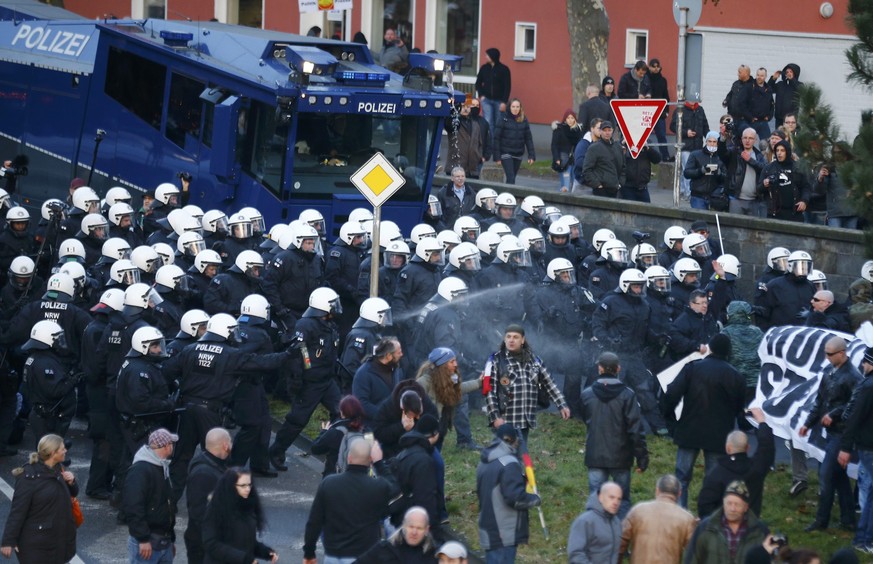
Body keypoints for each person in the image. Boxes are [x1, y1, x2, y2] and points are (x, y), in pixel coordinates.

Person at [661, 333, 745, 508]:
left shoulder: (693, 367)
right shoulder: (735, 376)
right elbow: (739, 408)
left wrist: (669, 418)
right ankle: (708, 517)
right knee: (713, 480)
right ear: (729, 352)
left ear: (711, 348)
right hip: (719, 434)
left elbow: (672, 393)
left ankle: (680, 515)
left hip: (689, 429)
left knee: (682, 476)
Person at [800, 336, 862, 532]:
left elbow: (855, 406)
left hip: (842, 434)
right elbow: (820, 400)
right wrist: (808, 423)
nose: (826, 357)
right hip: (831, 431)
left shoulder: (854, 377)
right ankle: (848, 518)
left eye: (829, 354)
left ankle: (822, 520)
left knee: (826, 475)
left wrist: (833, 415)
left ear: (842, 353)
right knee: (838, 477)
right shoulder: (828, 372)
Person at [579, 352, 648, 519]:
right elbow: (635, 429)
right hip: (621, 456)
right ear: (618, 369)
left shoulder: (587, 394)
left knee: (596, 499)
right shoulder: (628, 395)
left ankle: (594, 534)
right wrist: (642, 456)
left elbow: (585, 417)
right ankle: (621, 539)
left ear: (599, 369)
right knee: (622, 500)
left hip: (595, 454)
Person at [304, 438, 391, 563]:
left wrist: (309, 553)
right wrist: (379, 464)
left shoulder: (329, 483)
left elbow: (314, 522)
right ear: (370, 460)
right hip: (365, 555)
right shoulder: (379, 487)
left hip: (333, 555)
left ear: (349, 457)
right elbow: (394, 491)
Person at [484, 324, 570, 442]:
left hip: (524, 419)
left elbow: (549, 384)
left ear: (523, 340)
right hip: (504, 420)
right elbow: (489, 391)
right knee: (502, 457)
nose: (511, 340)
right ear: (504, 339)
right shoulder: (495, 360)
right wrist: (495, 417)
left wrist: (562, 404)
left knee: (520, 455)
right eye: (508, 337)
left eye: (515, 337)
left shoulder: (535, 361)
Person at [1, 434, 78, 563]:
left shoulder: (58, 469)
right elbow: (18, 511)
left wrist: (72, 482)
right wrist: (8, 541)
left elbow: (71, 494)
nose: (65, 451)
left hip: (57, 541)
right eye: (62, 449)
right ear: (53, 452)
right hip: (37, 545)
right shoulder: (28, 477)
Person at [476, 423, 541, 564]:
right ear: (513, 440)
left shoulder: (484, 462)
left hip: (488, 530)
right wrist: (534, 499)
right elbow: (515, 498)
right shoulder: (510, 463)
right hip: (504, 533)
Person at [697, 408, 775, 518]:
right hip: (749, 527)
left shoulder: (716, 473)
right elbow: (767, 449)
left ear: (727, 448)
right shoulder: (757, 468)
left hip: (723, 528)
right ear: (748, 448)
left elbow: (704, 505)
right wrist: (762, 422)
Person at [122, 428, 177, 564]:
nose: (173, 447)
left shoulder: (161, 466)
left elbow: (167, 505)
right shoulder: (140, 470)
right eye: (172, 443)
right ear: (166, 446)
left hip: (163, 541)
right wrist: (143, 539)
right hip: (148, 544)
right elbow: (133, 506)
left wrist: (170, 541)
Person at [201, 468, 277, 563]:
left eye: (249, 485)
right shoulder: (216, 508)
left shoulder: (247, 505)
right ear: (231, 486)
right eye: (243, 485)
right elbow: (211, 544)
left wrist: (266, 552)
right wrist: (245, 559)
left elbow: (246, 540)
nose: (248, 489)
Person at [838, 347, 873, 553]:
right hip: (868, 448)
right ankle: (865, 539)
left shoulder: (868, 386)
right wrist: (845, 447)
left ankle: (863, 539)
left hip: (868, 447)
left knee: (869, 492)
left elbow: (854, 418)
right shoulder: (868, 386)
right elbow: (853, 418)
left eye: (865, 362)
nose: (862, 365)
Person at [684, 480, 769, 564]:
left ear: (746, 507)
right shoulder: (705, 528)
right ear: (723, 503)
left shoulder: (760, 531)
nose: (732, 509)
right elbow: (691, 559)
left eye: (737, 504)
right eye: (729, 503)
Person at [619, 474, 696, 564]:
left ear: (657, 490)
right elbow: (695, 552)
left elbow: (620, 541)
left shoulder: (638, 510)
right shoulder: (687, 518)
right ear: (679, 493)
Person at [416, 347, 482, 450]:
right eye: (452, 362)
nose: (456, 364)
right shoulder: (423, 382)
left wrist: (479, 382)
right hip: (426, 433)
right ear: (442, 365)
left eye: (455, 360)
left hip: (439, 431)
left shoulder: (447, 378)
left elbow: (459, 389)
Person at [185, 427, 232, 564]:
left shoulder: (213, 465)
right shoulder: (204, 473)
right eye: (230, 441)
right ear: (225, 445)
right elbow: (199, 512)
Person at [354, 506, 439, 563]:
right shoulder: (385, 548)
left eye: (419, 528)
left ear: (427, 529)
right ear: (403, 526)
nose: (414, 532)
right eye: (411, 527)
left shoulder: (436, 555)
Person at [567, 482, 623, 564]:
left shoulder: (617, 523)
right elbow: (575, 555)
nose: (615, 502)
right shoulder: (585, 521)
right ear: (600, 497)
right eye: (611, 497)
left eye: (619, 499)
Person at [720, 301, 764, 404]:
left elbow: (721, 358)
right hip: (755, 383)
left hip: (734, 383)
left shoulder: (726, 333)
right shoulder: (758, 332)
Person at [761, 140, 812, 221]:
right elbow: (759, 189)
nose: (779, 153)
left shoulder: (798, 167)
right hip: (774, 213)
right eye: (777, 150)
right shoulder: (768, 168)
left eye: (782, 150)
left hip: (795, 213)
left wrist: (804, 201)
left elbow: (806, 187)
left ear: (787, 152)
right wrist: (764, 184)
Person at [670, 96, 709, 200]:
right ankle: (688, 193)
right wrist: (685, 132)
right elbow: (673, 126)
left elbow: (705, 126)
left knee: (688, 170)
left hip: (697, 146)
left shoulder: (700, 110)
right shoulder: (680, 109)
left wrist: (709, 139)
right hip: (685, 146)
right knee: (687, 169)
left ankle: (684, 191)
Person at [722, 127, 767, 217]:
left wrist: (750, 160)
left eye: (750, 138)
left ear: (755, 140)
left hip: (754, 200)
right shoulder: (734, 152)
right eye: (745, 138)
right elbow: (722, 154)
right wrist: (722, 140)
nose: (747, 140)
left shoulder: (759, 156)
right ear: (741, 139)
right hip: (736, 199)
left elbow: (764, 169)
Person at [494, 99, 535, 185]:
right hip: (506, 152)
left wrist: (531, 155)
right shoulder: (503, 118)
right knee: (511, 177)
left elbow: (528, 138)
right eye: (513, 107)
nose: (515, 109)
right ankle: (509, 197)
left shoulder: (523, 119)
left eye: (517, 107)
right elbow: (496, 138)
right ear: (509, 107)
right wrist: (497, 157)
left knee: (512, 178)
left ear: (520, 108)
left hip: (518, 153)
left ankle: (506, 195)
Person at [684, 130, 727, 210]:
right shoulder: (695, 154)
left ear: (718, 143)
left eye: (714, 142)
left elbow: (727, 177)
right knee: (700, 220)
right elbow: (687, 173)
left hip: (715, 197)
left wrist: (719, 174)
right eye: (709, 141)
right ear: (706, 141)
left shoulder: (722, 157)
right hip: (698, 195)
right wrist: (701, 171)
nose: (712, 144)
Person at [580, 120, 625, 198]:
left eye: (609, 130)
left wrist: (620, 183)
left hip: (616, 190)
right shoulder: (594, 148)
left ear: (612, 131)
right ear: (600, 132)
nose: (607, 133)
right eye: (604, 130)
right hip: (601, 191)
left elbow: (623, 167)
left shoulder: (618, 147)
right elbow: (586, 170)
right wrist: (597, 185)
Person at [475, 48, 512, 138]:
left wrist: (504, 102)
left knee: (498, 124)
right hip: (486, 100)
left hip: (499, 101)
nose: (486, 57)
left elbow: (507, 86)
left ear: (493, 56)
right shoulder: (484, 68)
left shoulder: (504, 69)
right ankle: (490, 146)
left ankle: (497, 146)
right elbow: (478, 83)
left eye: (487, 55)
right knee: (488, 122)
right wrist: (481, 95)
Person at [551, 109, 583, 192]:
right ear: (565, 118)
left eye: (572, 118)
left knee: (575, 186)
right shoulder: (559, 129)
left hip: (575, 160)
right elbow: (554, 145)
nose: (570, 120)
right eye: (568, 118)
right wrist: (557, 158)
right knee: (566, 185)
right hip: (563, 160)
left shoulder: (578, 130)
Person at [647, 58, 672, 160]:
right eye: (653, 66)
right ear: (649, 67)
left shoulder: (662, 80)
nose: (656, 68)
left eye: (657, 66)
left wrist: (666, 111)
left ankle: (665, 156)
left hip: (660, 112)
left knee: (661, 135)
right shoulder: (646, 79)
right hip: (647, 112)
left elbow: (666, 96)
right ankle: (644, 154)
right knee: (644, 135)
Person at [572, 118, 603, 192]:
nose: (601, 131)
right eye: (599, 128)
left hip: (596, 185)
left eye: (602, 128)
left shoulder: (602, 145)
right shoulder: (584, 144)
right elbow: (579, 162)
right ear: (592, 129)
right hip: (582, 185)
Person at [722, 65, 752, 135]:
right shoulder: (736, 84)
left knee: (743, 138)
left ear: (746, 73)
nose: (738, 74)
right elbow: (730, 95)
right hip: (732, 118)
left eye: (740, 72)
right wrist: (726, 101)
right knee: (731, 139)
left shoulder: (752, 85)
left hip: (744, 120)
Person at [748, 68, 774, 140]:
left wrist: (769, 116)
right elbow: (743, 104)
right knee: (746, 142)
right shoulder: (750, 87)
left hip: (763, 122)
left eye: (762, 75)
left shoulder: (768, 89)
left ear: (765, 76)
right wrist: (749, 117)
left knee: (767, 144)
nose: (759, 77)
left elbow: (772, 104)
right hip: (751, 122)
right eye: (758, 75)